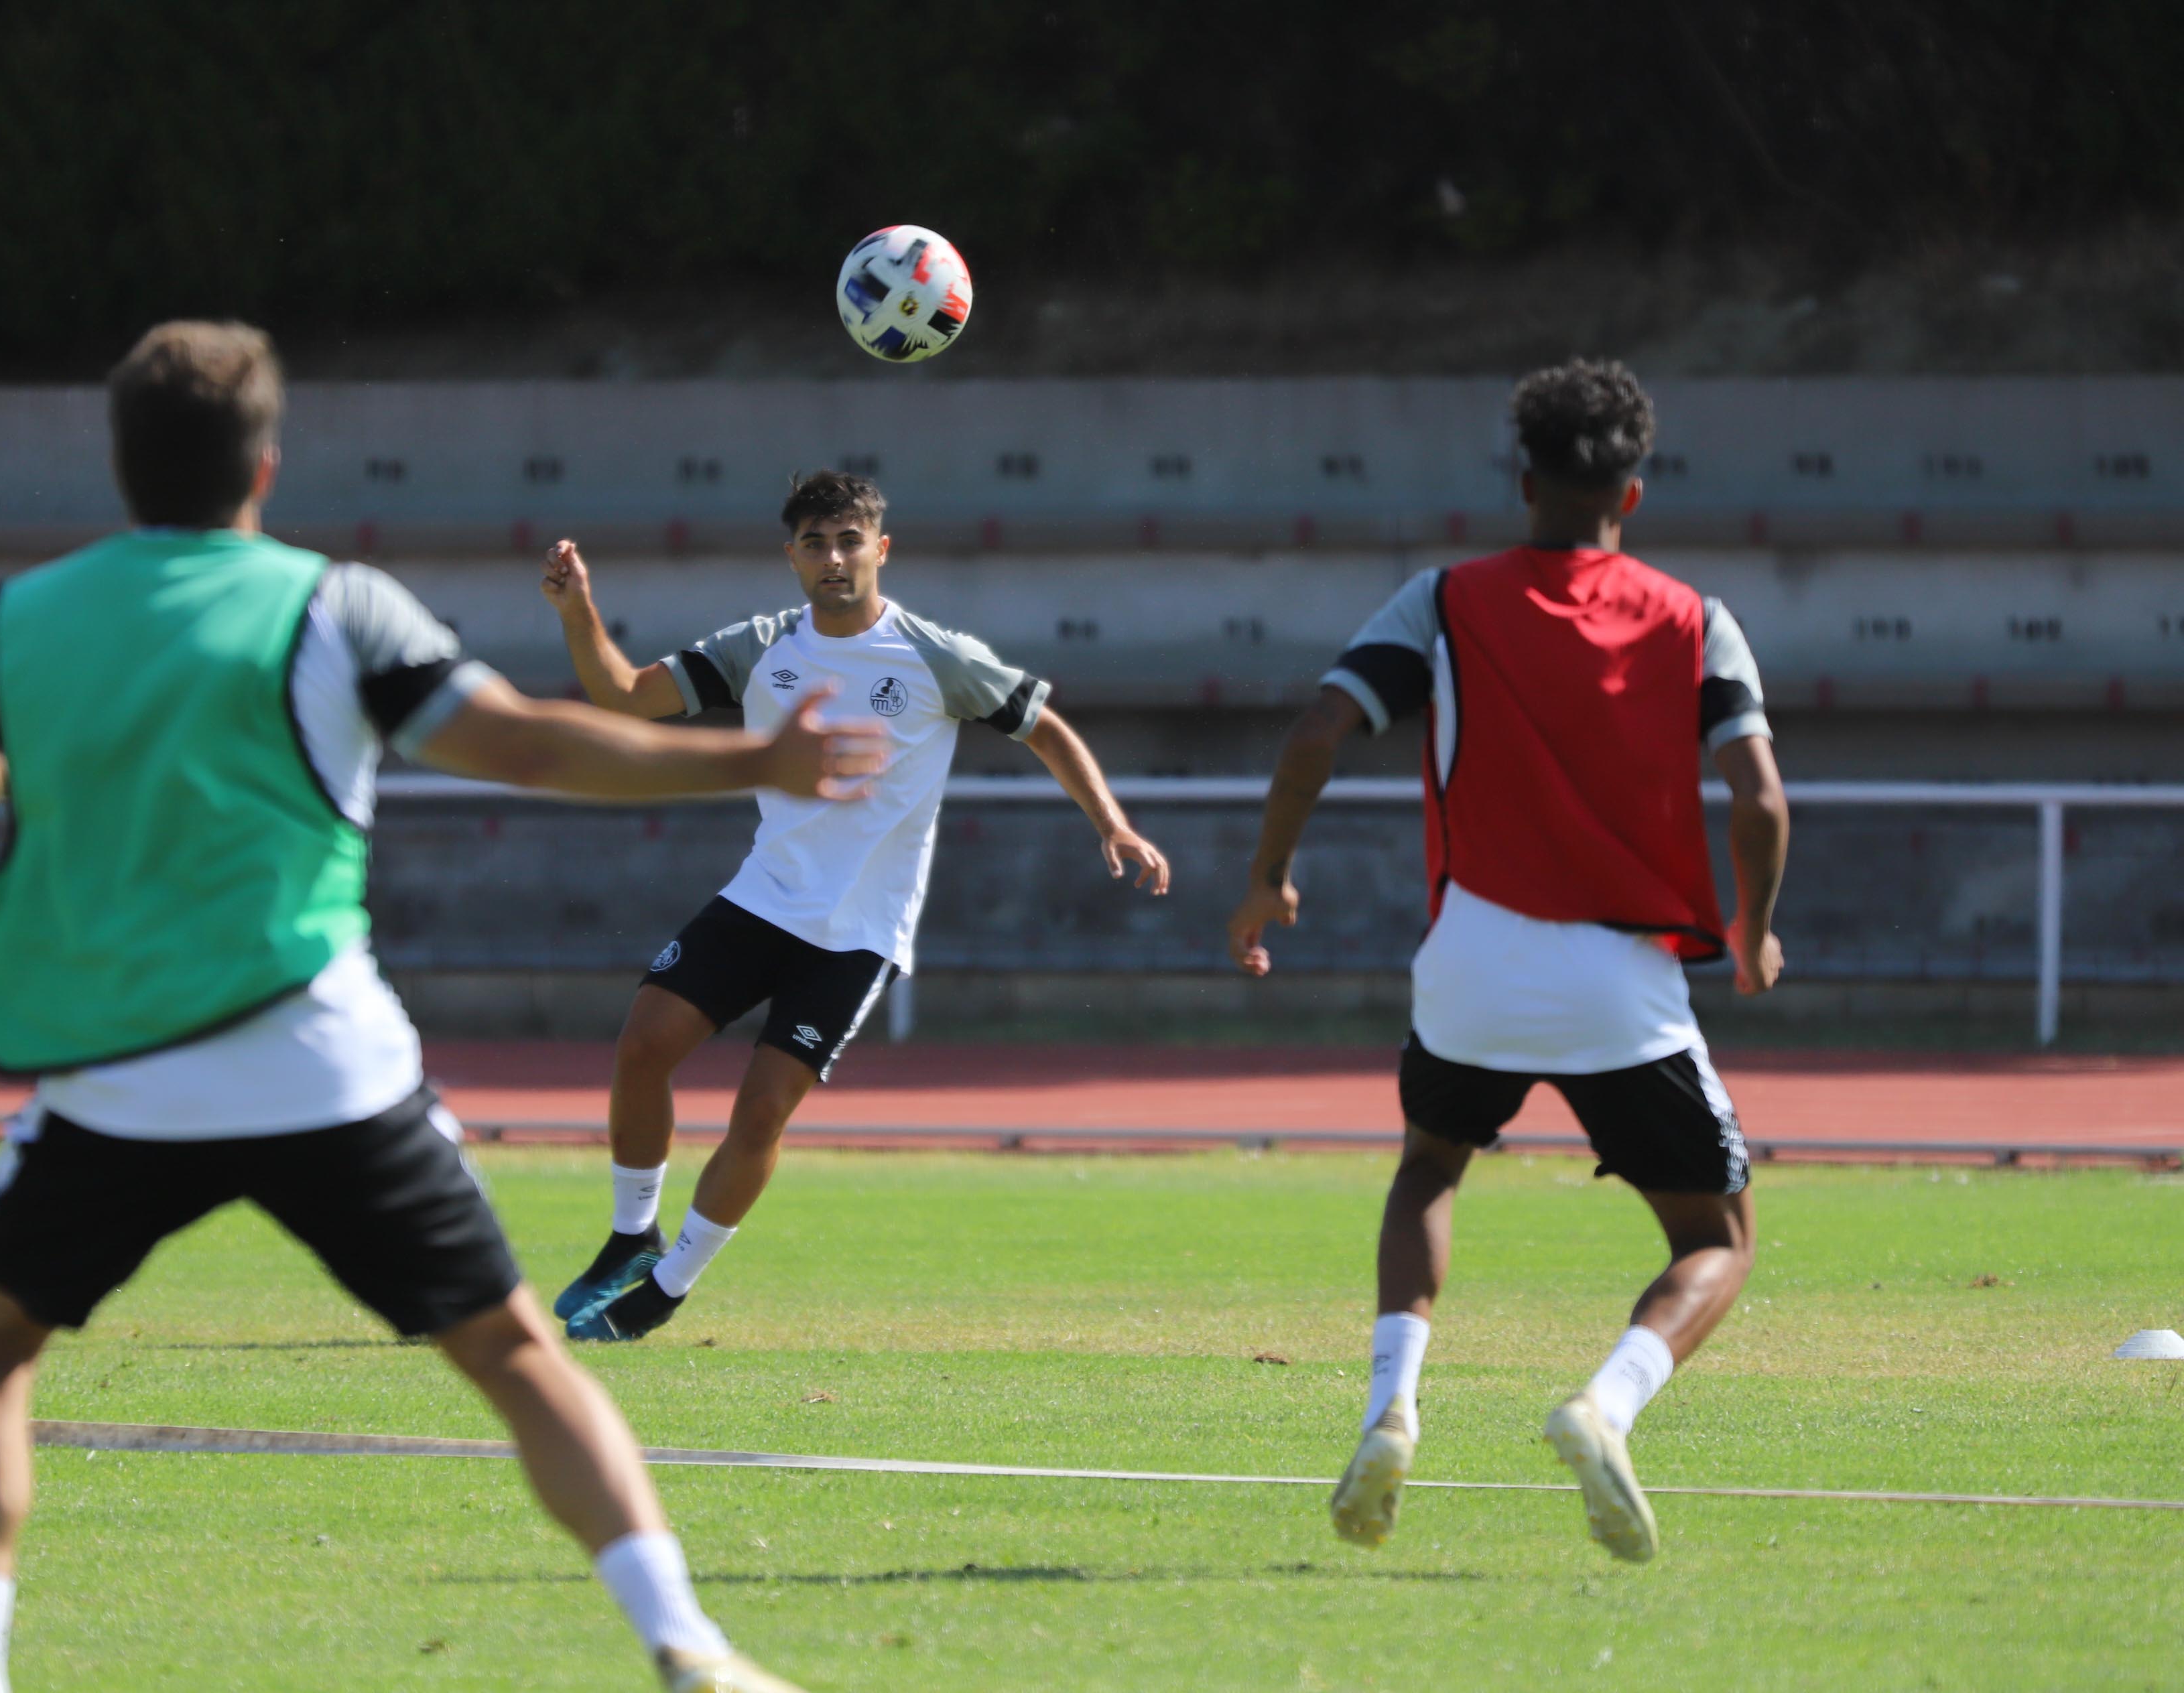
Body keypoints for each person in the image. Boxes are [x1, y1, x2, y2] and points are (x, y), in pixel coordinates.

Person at [0, 322, 863, 1693]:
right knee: (511, 1354)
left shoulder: (21, 618)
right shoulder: (335, 605)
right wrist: (761, 758)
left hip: (117, 1081)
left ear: (118, 461)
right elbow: (526, 741)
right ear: (264, 466)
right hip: (320, 1063)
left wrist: (6, 758)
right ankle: (686, 1645)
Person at [1226, 359, 1789, 1565]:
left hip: (1471, 955)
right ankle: (1604, 1406)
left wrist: (1271, 874)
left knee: (1430, 1168)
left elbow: (1317, 729)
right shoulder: (1696, 616)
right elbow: (1760, 797)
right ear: (1630, 496)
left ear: (1523, 480)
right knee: (1717, 1240)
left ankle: (1391, 1411)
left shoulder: (1443, 599)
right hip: (1621, 978)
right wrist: (1752, 923)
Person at [537, 471, 1171, 1344]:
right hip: (761, 900)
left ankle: (668, 1288)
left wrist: (1113, 823)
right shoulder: (760, 645)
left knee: (761, 1111)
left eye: (848, 541)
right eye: (814, 543)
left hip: (855, 936)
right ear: (790, 556)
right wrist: (578, 612)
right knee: (643, 1045)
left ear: (881, 548)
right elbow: (627, 694)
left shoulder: (934, 654)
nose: (832, 559)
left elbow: (1045, 724)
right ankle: (630, 1237)